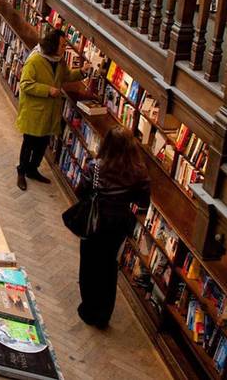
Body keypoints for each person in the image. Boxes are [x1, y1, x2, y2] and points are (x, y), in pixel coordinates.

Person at [77, 126, 150, 328]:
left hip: (95, 221)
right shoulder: (139, 171)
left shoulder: (96, 166)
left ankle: (89, 310)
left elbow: (81, 191)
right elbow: (144, 202)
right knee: (109, 267)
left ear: (106, 143)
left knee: (89, 266)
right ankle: (104, 314)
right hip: (118, 224)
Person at [15, 28, 89, 191]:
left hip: (49, 112)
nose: (64, 48)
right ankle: (22, 171)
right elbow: (25, 84)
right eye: (62, 45)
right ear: (53, 45)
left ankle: (33, 169)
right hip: (34, 111)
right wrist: (48, 90)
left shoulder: (59, 60)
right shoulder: (35, 60)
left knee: (42, 144)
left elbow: (66, 76)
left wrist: (82, 72)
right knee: (29, 143)